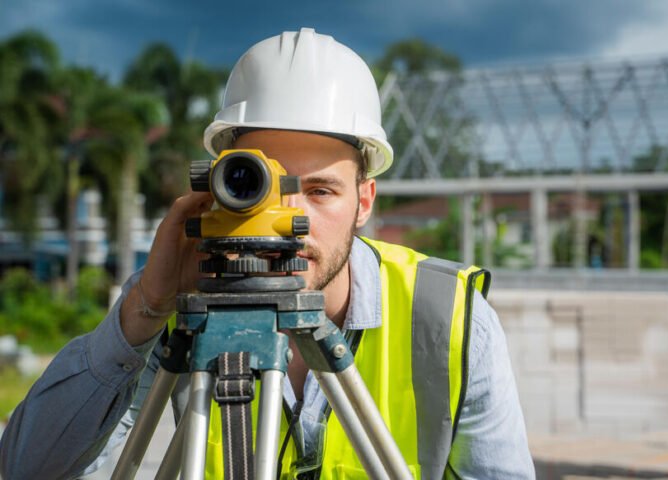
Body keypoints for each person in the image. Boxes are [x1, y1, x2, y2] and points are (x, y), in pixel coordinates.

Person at [0, 28, 534, 479]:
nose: (291, 220)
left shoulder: (450, 320)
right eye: (262, 184)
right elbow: (24, 468)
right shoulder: (180, 307)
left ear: (363, 201)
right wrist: (144, 308)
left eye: (321, 190)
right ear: (218, 181)